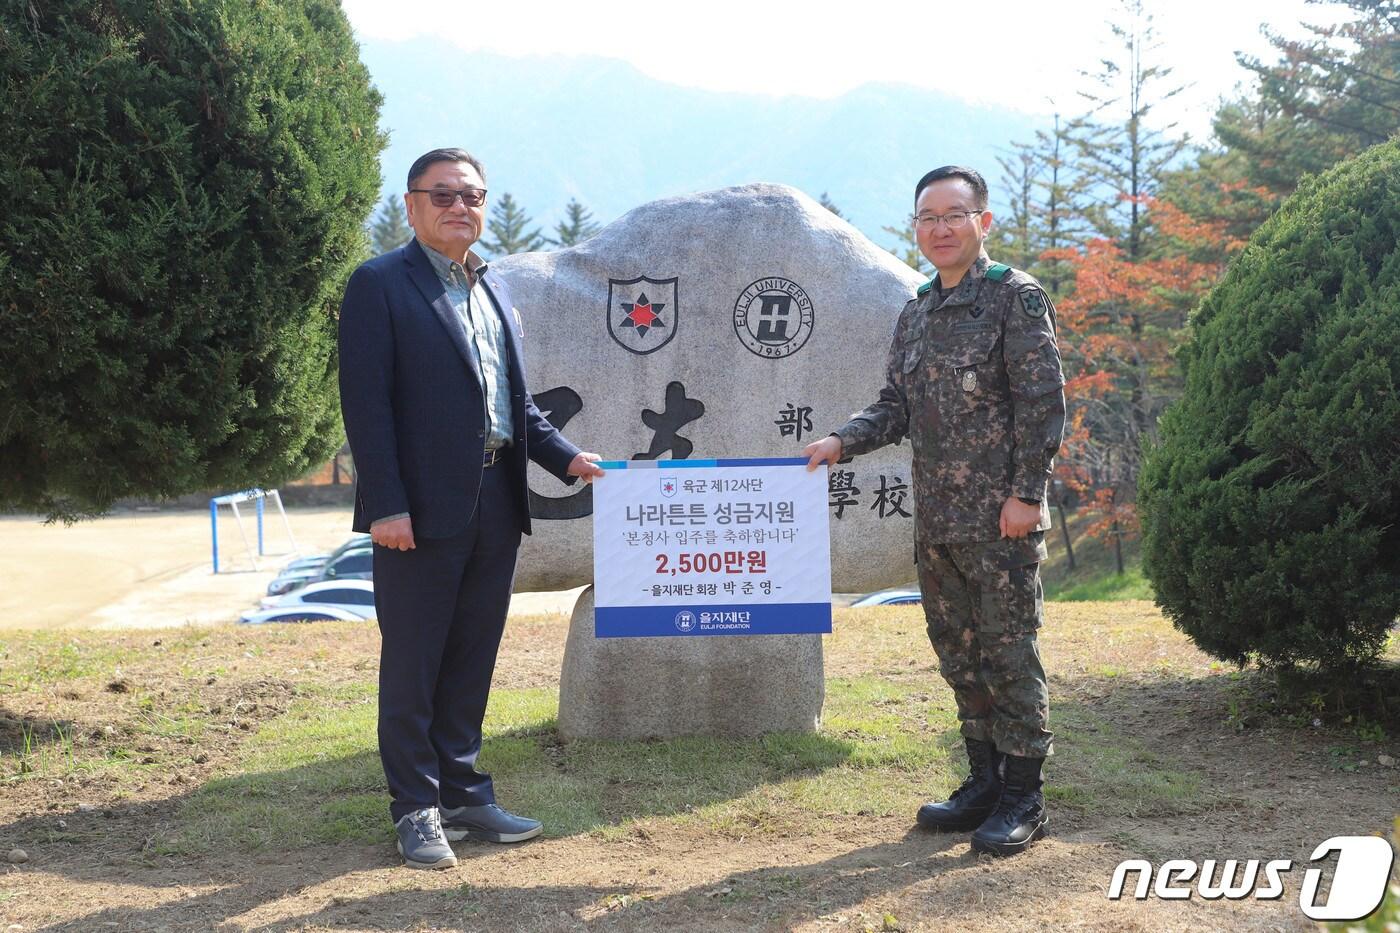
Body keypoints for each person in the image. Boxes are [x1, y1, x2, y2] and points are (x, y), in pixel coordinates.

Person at [338, 148, 604, 869]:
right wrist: (386, 503)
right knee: (415, 661)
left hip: (495, 503)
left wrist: (571, 460)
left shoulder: (487, 288)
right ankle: (415, 807)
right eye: (445, 194)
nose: (461, 207)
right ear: (411, 205)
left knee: (471, 656)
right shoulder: (379, 285)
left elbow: (512, 406)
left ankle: (462, 790)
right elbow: (366, 406)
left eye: (473, 196)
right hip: (417, 512)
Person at [804, 165, 1065, 857]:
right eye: (928, 217)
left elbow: (1042, 405)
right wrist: (840, 440)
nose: (941, 227)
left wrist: (1026, 495)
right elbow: (897, 405)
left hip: (1001, 520)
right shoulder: (917, 311)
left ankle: (1023, 795)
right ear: (916, 228)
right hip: (939, 522)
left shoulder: (1016, 299)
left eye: (955, 214)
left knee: (1010, 654)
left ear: (983, 222)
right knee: (960, 656)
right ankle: (982, 781)